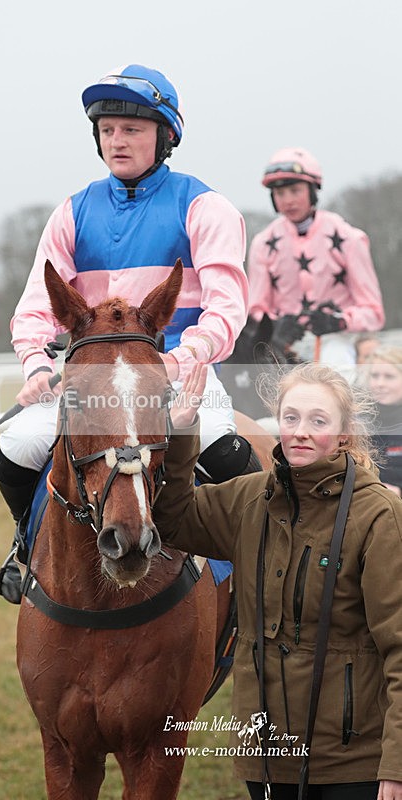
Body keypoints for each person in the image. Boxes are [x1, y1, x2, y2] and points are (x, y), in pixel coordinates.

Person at [0, 64, 251, 603]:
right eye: (108, 130)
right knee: (17, 447)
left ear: (165, 137)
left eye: (132, 129)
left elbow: (227, 310)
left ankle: (259, 571)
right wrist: (38, 367)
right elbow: (35, 310)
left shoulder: (205, 206)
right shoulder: (71, 212)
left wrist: (176, 363)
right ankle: (24, 550)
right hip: (90, 382)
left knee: (224, 451)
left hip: (178, 373)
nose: (118, 140)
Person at [156, 361, 402, 800]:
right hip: (268, 757)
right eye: (291, 418)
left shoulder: (379, 515)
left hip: (353, 762)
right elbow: (172, 520)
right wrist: (182, 430)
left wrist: (397, 764)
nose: (300, 431)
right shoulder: (249, 497)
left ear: (345, 434)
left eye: (318, 421)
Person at [244, 147, 385, 368]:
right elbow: (256, 309)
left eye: (295, 190)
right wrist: (276, 324)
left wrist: (339, 320)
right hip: (284, 344)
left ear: (312, 190)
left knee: (336, 362)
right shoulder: (262, 243)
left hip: (338, 340)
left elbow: (374, 312)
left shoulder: (349, 238)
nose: (288, 200)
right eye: (280, 193)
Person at [367, 345, 402, 497]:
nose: (380, 383)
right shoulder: (358, 420)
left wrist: (399, 492)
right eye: (375, 376)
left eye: (389, 377)